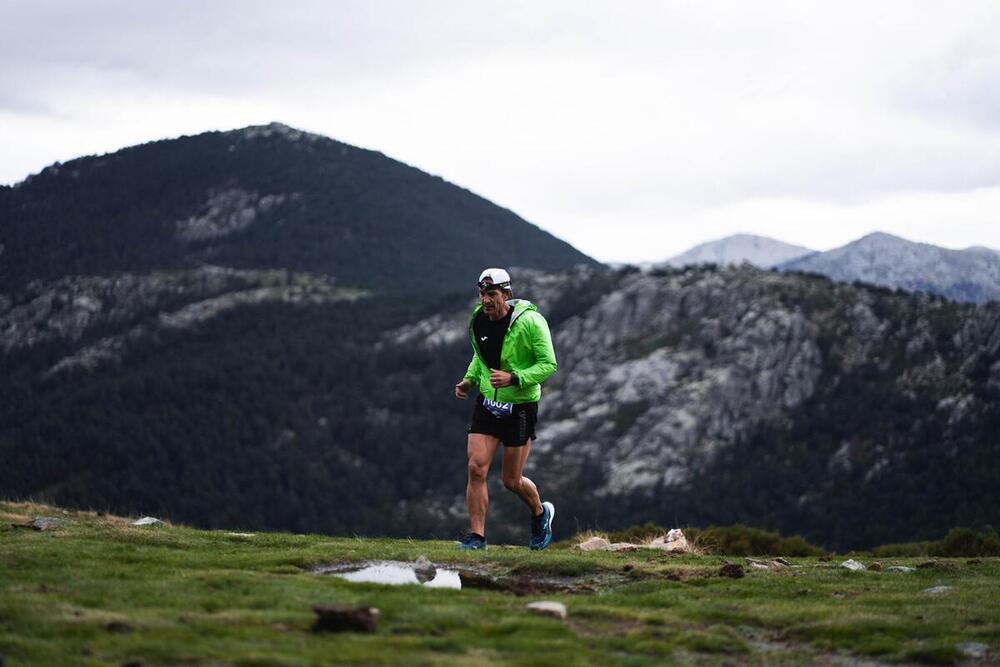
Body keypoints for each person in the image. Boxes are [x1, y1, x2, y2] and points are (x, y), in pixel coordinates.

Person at [454, 268, 558, 550]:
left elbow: (549, 364)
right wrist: (469, 380)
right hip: (488, 404)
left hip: (520, 407)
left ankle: (540, 513)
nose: (486, 300)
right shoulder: (479, 320)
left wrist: (515, 378)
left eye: (492, 294)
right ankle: (477, 537)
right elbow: (481, 357)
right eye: (482, 294)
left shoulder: (532, 322)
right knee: (476, 468)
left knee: (511, 480)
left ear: (507, 295)